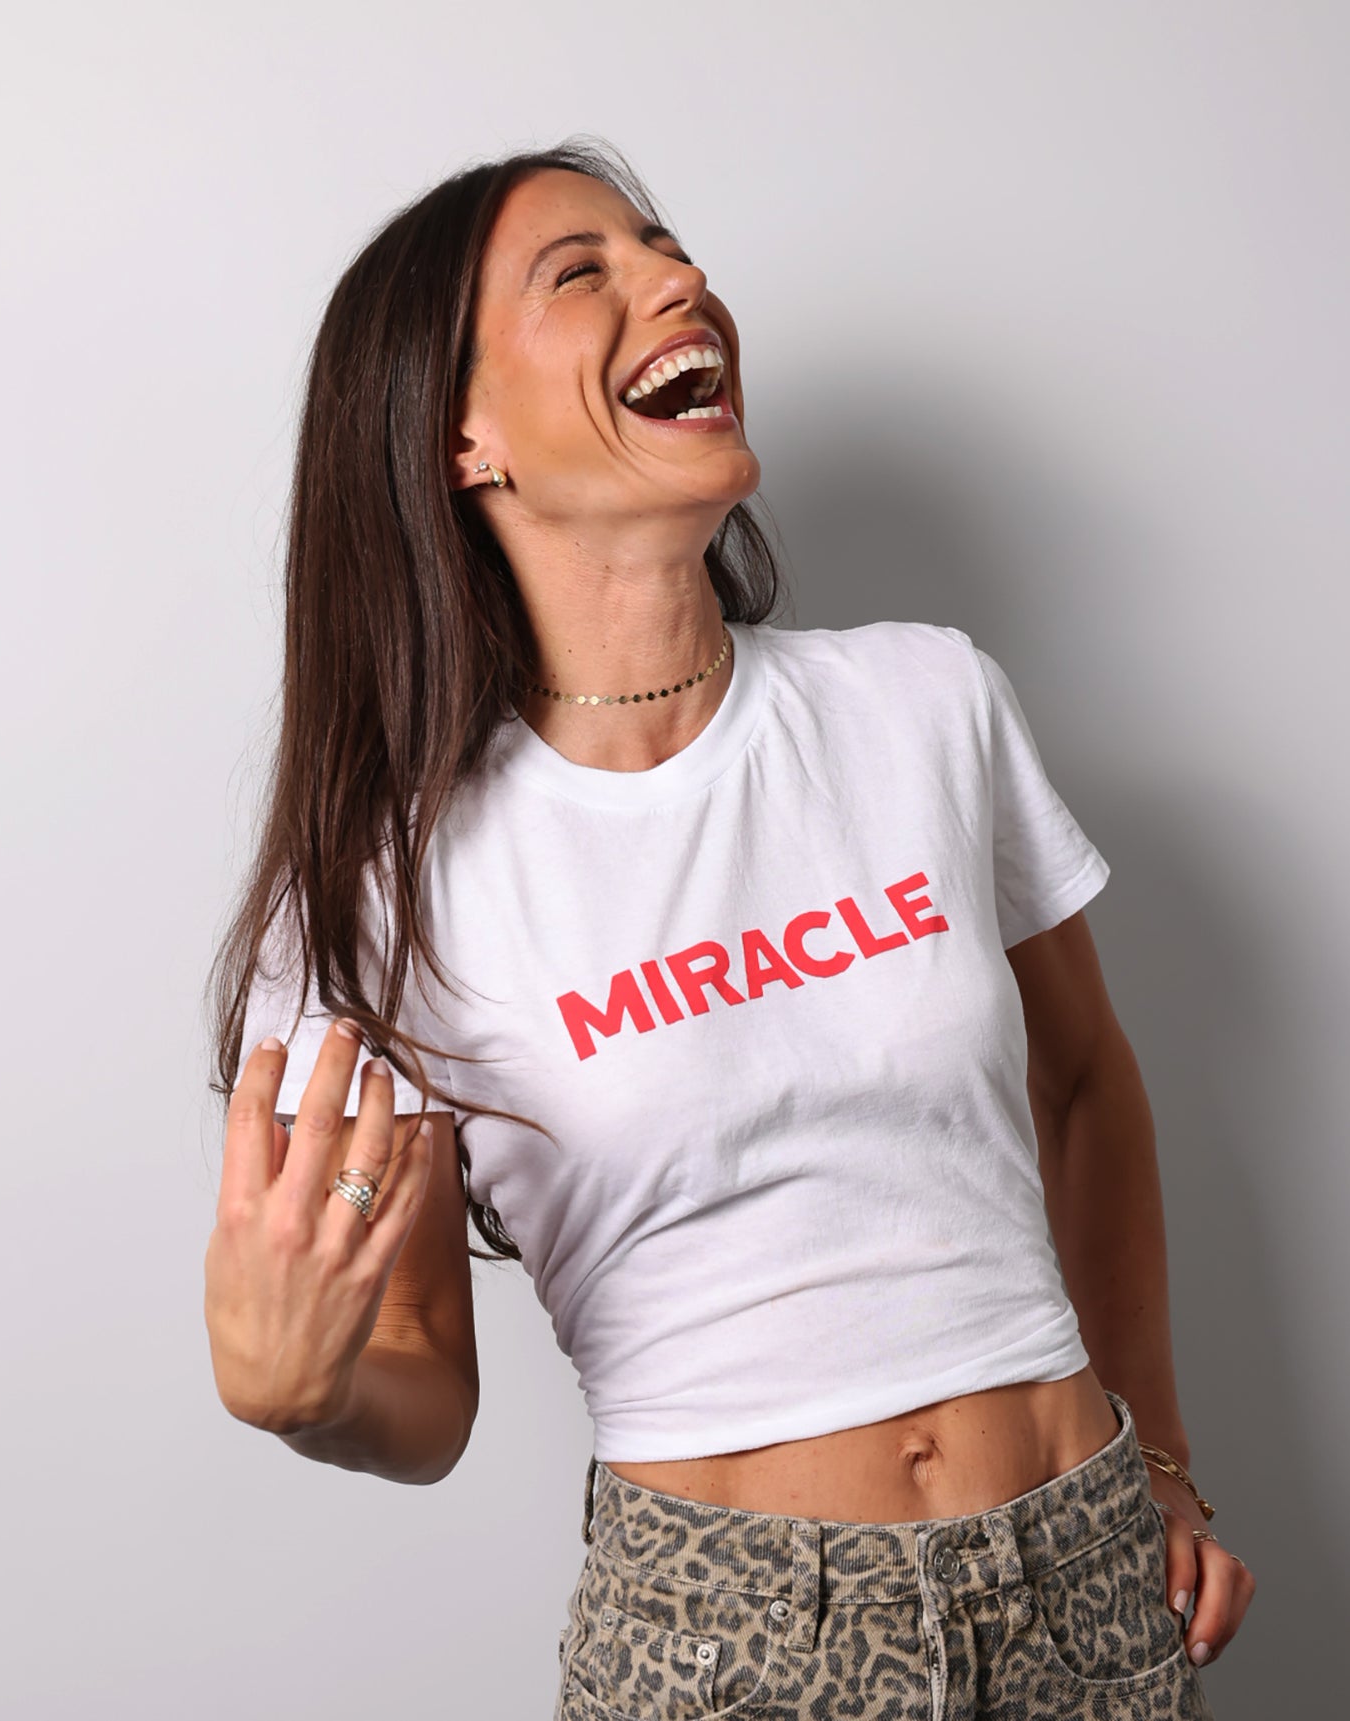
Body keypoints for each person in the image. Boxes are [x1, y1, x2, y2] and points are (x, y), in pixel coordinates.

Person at [202, 135, 1255, 1718]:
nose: (678, 279)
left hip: (1083, 1584)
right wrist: (308, 1394)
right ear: (459, 439)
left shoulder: (923, 701)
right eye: (583, 272)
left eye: (665, 246)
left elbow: (1089, 1081)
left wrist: (1157, 1455)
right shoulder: (383, 886)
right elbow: (417, 1371)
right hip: (727, 1640)